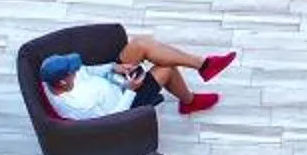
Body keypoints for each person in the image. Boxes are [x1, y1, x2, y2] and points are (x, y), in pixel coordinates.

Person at [40, 38, 237, 119]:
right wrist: (131, 89)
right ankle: (189, 102)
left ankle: (204, 64)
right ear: (63, 82)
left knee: (139, 45)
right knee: (166, 69)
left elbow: (89, 71)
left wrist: (114, 67)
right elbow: (112, 118)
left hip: (114, 81)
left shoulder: (60, 77)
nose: (77, 71)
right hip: (124, 100)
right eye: (73, 71)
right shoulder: (80, 104)